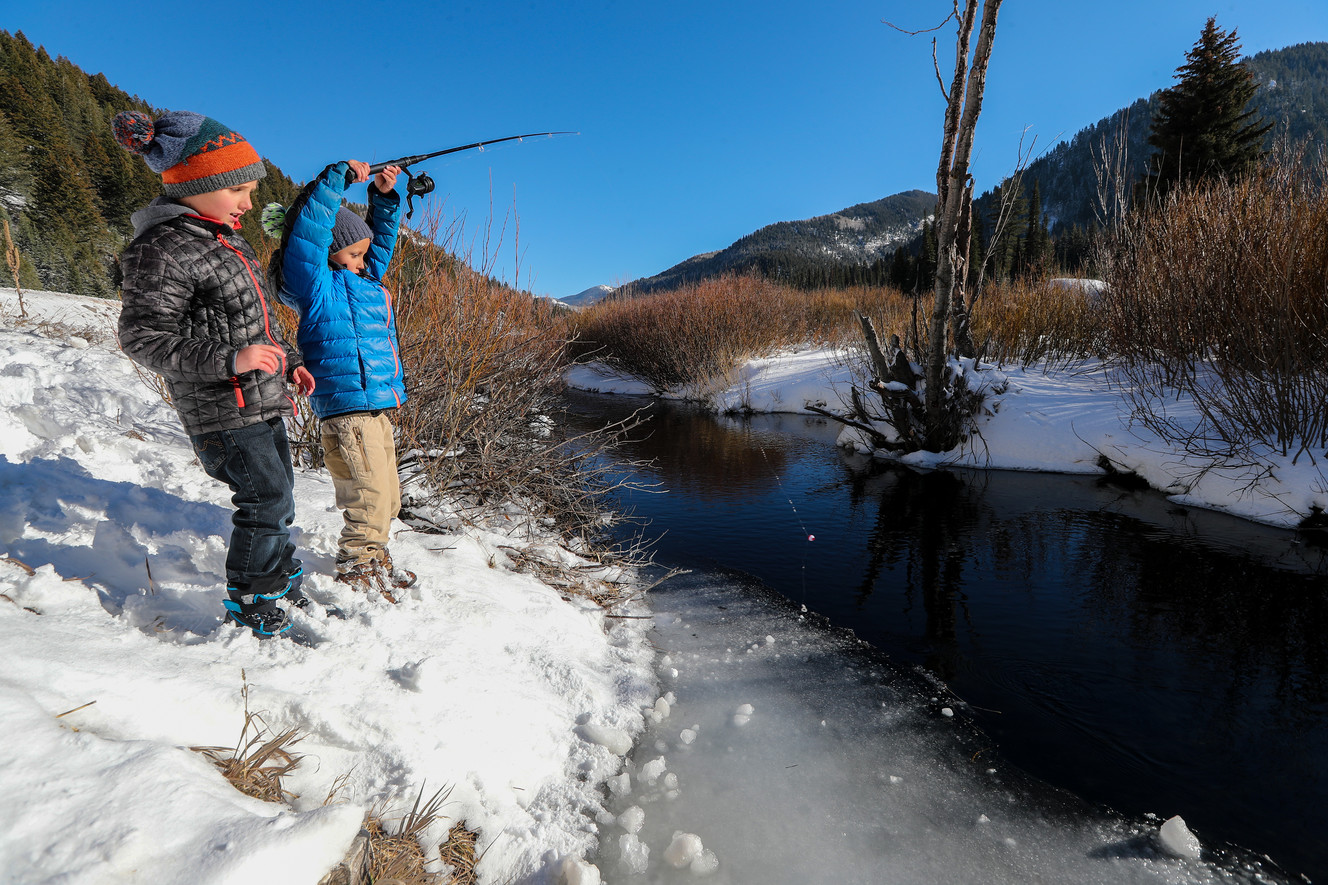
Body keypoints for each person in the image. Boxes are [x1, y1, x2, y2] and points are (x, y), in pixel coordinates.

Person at [113, 109, 316, 639]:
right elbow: (143, 337)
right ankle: (253, 594)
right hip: (222, 408)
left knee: (280, 496)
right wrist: (230, 361)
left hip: (262, 399)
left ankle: (277, 570)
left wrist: (288, 362)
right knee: (265, 501)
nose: (251, 203)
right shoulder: (161, 249)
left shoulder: (226, 240)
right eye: (241, 190)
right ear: (200, 186)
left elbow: (255, 323)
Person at [271, 159, 416, 600]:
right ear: (329, 253)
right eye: (353, 253)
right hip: (347, 409)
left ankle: (376, 557)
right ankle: (358, 570)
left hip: (376, 405)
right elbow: (310, 237)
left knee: (388, 499)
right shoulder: (314, 287)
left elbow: (379, 244)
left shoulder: (366, 279)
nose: (363, 260)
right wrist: (335, 182)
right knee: (368, 499)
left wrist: (384, 197)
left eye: (363, 253)